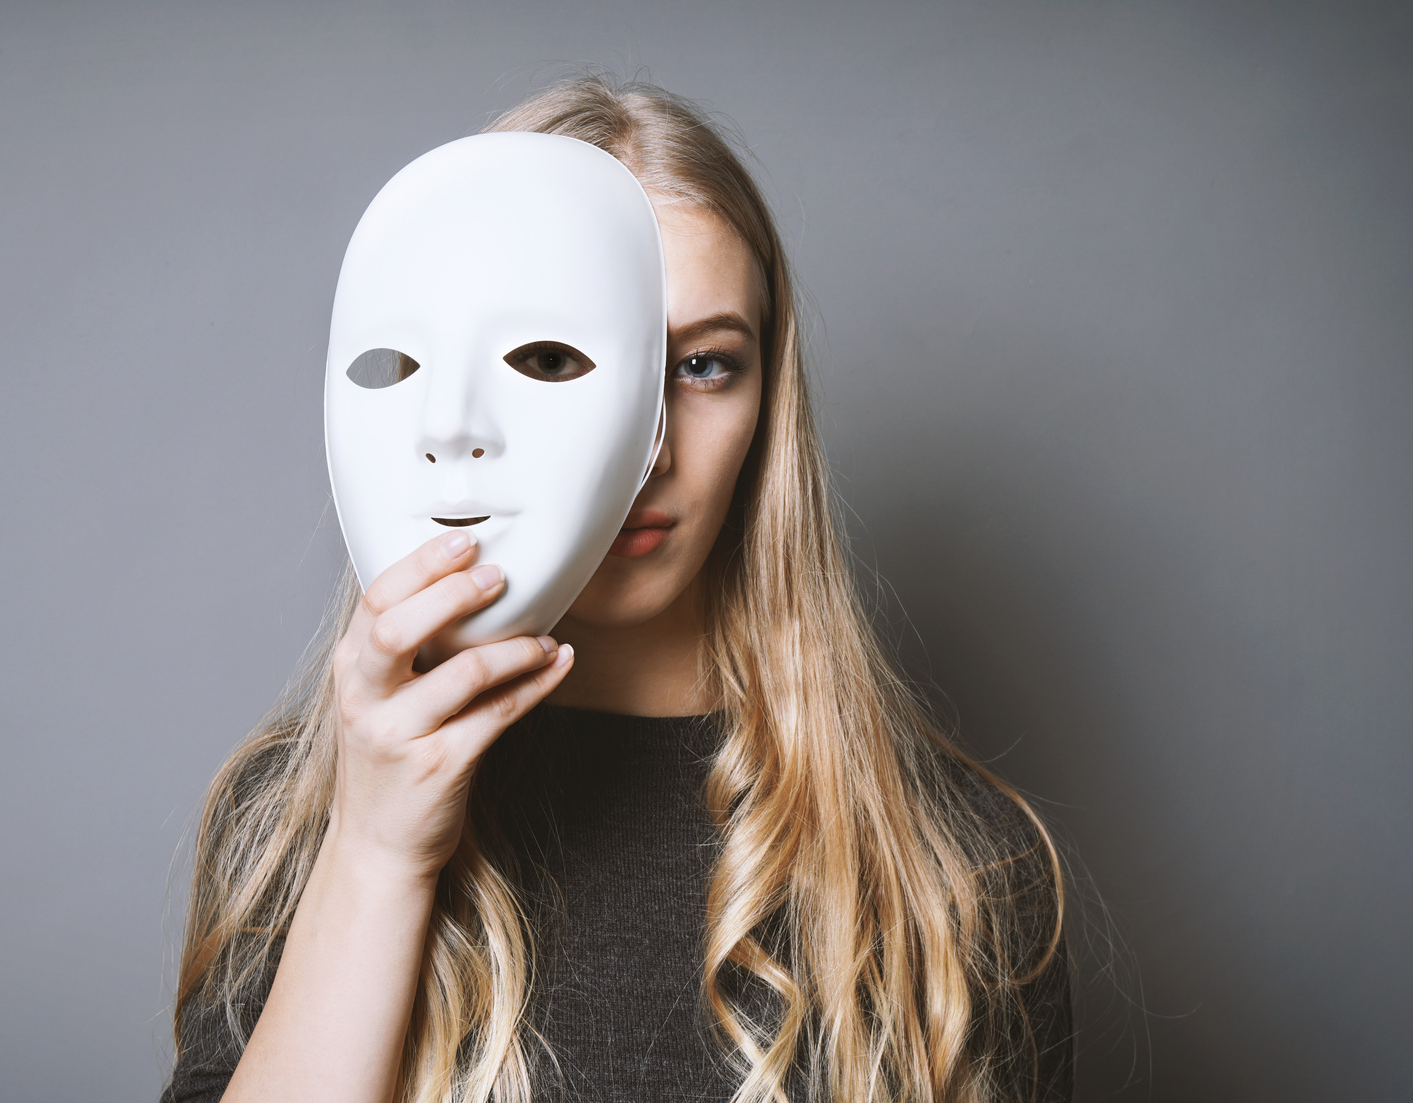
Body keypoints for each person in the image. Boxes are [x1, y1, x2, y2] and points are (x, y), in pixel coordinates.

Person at [162, 76, 1072, 1103]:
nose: (648, 453)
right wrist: (374, 857)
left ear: (768, 402)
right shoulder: (294, 826)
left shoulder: (958, 870)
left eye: (701, 366)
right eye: (555, 359)